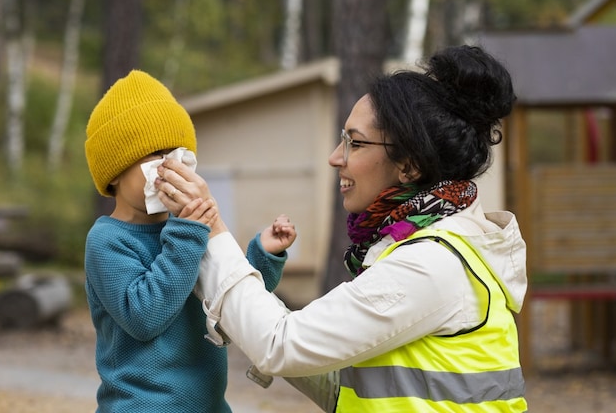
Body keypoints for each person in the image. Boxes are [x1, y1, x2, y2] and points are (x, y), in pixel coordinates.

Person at [160, 45, 529, 411]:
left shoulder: (431, 263)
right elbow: (343, 386)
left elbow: (281, 346)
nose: (336, 157)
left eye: (355, 142)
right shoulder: (432, 247)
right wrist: (242, 306)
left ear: (410, 166)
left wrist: (208, 225)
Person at [82, 69, 296, 412]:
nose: (171, 165)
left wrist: (263, 256)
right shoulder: (107, 240)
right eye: (155, 154)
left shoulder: (187, 228)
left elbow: (229, 297)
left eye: (178, 153)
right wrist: (187, 232)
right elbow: (144, 317)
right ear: (116, 169)